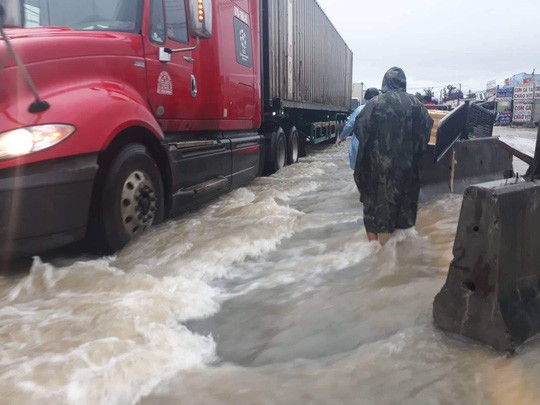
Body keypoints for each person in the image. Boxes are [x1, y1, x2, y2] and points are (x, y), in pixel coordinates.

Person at [353, 67, 433, 243]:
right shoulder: (417, 105)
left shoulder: (375, 103)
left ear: (385, 82)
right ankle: (397, 253)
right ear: (404, 82)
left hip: (379, 170)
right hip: (407, 170)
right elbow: (425, 132)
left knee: (373, 214)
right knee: (402, 213)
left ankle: (375, 252)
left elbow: (360, 129)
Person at [336, 88, 380, 170]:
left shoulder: (360, 109)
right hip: (377, 150)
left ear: (365, 98)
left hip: (359, 148)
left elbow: (349, 125)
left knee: (360, 173)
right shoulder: (382, 110)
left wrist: (341, 138)